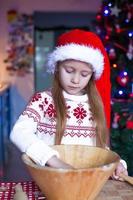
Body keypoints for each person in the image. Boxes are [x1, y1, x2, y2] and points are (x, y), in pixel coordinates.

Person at [10, 29, 128, 180]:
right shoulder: (43, 100)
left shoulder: (94, 105)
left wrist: (116, 164)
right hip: (50, 182)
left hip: (85, 183)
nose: (76, 80)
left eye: (84, 74)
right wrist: (54, 161)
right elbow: (19, 132)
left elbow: (99, 148)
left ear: (92, 75)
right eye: (69, 70)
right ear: (57, 67)